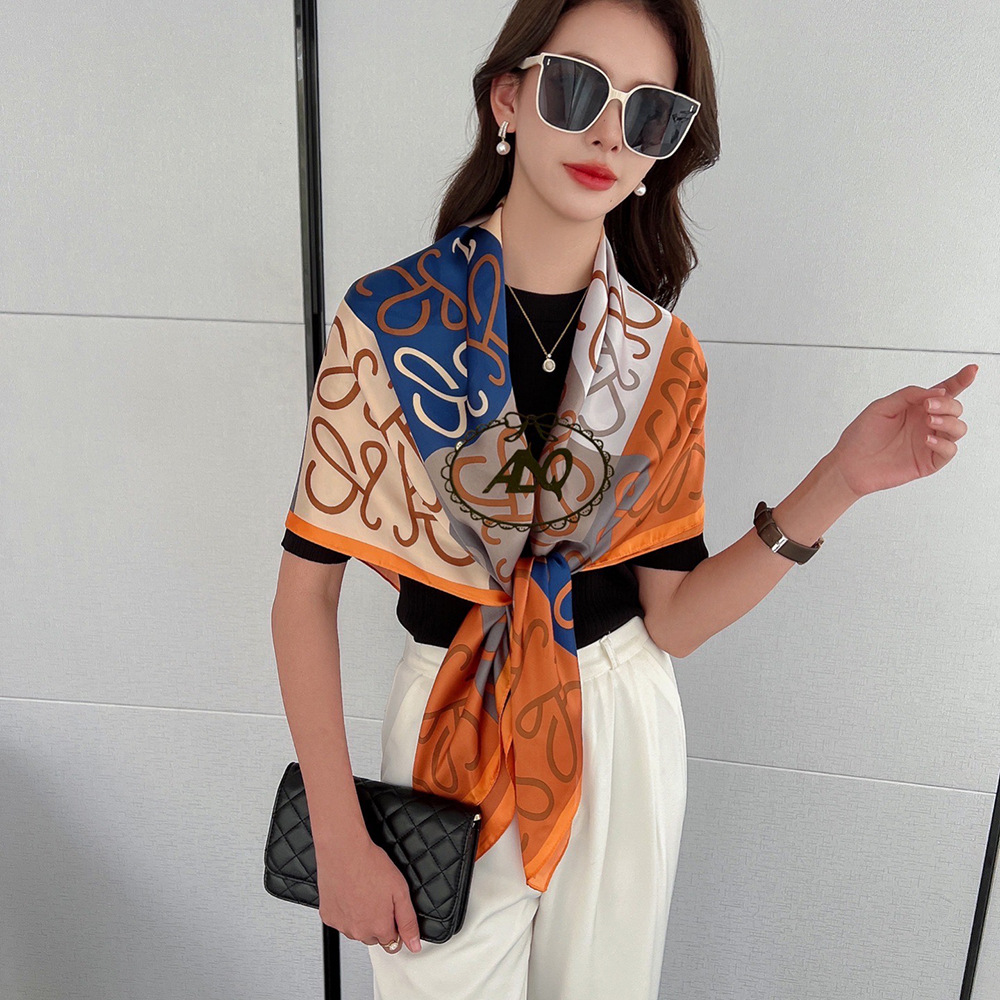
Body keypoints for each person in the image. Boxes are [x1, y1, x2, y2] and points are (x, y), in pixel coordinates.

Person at [269, 1, 976, 998]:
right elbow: (304, 594)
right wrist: (338, 834)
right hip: (450, 720)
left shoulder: (662, 359)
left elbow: (673, 619)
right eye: (577, 88)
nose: (609, 132)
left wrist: (842, 479)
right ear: (507, 97)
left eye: (649, 113)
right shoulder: (388, 322)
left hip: (619, 720)